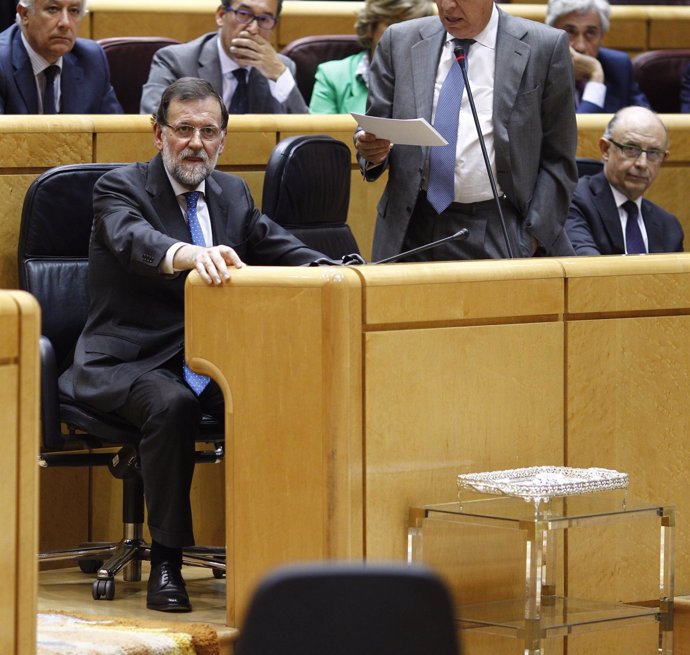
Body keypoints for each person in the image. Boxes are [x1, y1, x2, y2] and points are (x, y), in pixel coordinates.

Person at [59, 77, 338, 613]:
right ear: (157, 132)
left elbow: (272, 241)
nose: (196, 143)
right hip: (124, 361)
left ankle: (279, 554)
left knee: (276, 396)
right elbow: (132, 239)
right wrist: (188, 254)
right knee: (172, 404)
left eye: (208, 131)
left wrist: (335, 269)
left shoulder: (231, 193)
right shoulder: (120, 188)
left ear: (223, 141)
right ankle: (167, 561)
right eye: (183, 129)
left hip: (207, 357)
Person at [354, 0, 578, 262]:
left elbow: (559, 157)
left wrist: (531, 236)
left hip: (500, 224)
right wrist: (370, 149)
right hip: (412, 222)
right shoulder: (399, 40)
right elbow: (375, 123)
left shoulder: (544, 47)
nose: (447, 6)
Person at [140, 0, 307, 115]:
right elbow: (154, 123)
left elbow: (305, 138)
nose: (253, 29)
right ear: (221, 15)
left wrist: (280, 76)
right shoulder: (174, 61)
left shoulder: (282, 69)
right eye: (243, 14)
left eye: (264, 19)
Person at [566, 106, 683, 255]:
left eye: (653, 153)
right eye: (631, 149)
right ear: (605, 149)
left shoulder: (669, 227)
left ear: (663, 159)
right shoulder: (572, 202)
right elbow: (589, 272)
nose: (642, 163)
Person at [309, 0, 434, 114]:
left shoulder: (439, 74)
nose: (403, 34)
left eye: (414, 27)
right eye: (393, 25)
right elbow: (320, 136)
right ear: (370, 27)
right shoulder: (332, 75)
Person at [0, 0, 122, 114]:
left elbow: (116, 134)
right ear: (25, 14)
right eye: (53, 9)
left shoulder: (92, 59)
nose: (65, 23)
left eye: (74, 11)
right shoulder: (3, 62)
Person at [545, 0, 650, 113]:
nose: (580, 47)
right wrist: (596, 76)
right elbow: (579, 130)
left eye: (590, 33)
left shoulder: (619, 67)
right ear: (551, 34)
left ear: (602, 36)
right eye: (570, 32)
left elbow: (648, 123)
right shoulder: (536, 72)